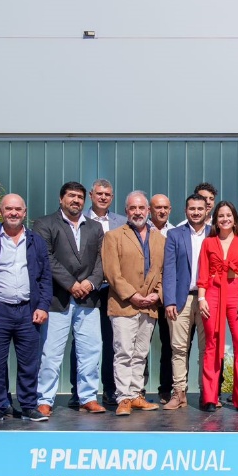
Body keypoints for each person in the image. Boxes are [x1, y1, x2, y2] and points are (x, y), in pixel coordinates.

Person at [0, 194, 52, 424]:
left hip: (28, 311)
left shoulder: (36, 241)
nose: (13, 213)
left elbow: (46, 278)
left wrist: (43, 306)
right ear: (1, 212)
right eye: (9, 209)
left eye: (18, 209)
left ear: (24, 212)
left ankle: (28, 406)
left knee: (29, 363)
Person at [32, 182, 105, 416]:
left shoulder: (95, 227)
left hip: (88, 299)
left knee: (90, 352)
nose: (76, 200)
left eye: (80, 197)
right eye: (71, 196)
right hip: (57, 298)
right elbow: (46, 257)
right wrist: (71, 284)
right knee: (51, 353)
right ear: (61, 198)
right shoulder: (44, 224)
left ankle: (88, 397)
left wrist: (90, 283)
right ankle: (44, 399)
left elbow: (101, 260)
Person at [102, 191, 165, 416]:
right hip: (124, 305)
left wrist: (158, 294)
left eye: (141, 208)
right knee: (123, 353)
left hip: (150, 305)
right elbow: (112, 273)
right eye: (132, 208)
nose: (137, 212)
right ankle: (123, 398)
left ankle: (136, 394)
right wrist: (132, 295)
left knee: (140, 353)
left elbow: (165, 272)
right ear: (126, 211)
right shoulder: (113, 237)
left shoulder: (160, 239)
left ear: (148, 210)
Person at [71, 178, 125, 407]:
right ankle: (78, 392)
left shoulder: (122, 222)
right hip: (86, 289)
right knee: (82, 342)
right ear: (91, 196)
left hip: (113, 290)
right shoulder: (79, 219)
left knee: (113, 341)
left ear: (112, 198)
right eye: (99, 193)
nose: (103, 197)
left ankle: (110, 390)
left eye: (107, 194)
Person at [197, 201, 238, 412]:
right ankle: (210, 398)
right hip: (212, 293)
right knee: (212, 344)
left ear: (235, 219)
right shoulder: (208, 243)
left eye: (228, 215)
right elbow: (203, 272)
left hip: (236, 294)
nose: (225, 219)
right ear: (215, 220)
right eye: (221, 216)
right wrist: (201, 298)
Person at [162, 194, 211, 410]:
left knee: (206, 349)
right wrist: (169, 301)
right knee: (179, 348)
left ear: (207, 210)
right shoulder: (174, 234)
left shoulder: (214, 233)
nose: (196, 212)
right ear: (185, 210)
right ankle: (179, 392)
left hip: (207, 300)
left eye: (200, 209)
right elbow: (169, 269)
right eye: (192, 209)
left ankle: (206, 392)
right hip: (181, 299)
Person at [149, 194, 176, 404]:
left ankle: (166, 389)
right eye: (158, 207)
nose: (162, 211)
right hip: (144, 297)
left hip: (167, 298)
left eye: (165, 207)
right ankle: (136, 390)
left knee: (169, 345)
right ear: (150, 209)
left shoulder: (174, 232)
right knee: (140, 346)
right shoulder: (140, 230)